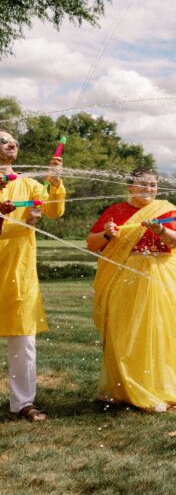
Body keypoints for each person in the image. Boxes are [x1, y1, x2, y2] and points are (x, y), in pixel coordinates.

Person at [86, 168, 176, 412]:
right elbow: (92, 243)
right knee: (127, 331)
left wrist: (160, 230)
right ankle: (126, 389)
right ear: (130, 187)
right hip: (126, 275)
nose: (149, 189)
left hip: (161, 273)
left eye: (153, 185)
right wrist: (107, 234)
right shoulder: (116, 211)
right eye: (143, 184)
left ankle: (162, 388)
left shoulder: (167, 210)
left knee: (162, 329)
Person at [0, 130, 65, 422]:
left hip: (18, 271)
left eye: (13, 141)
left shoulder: (28, 185)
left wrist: (55, 184)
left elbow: (53, 211)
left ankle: (23, 403)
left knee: (23, 339)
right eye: (2, 140)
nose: (10, 144)